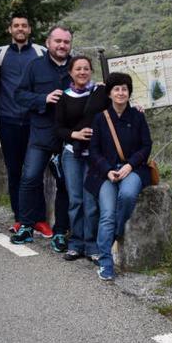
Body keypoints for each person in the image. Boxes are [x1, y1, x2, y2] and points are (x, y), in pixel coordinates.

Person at [85, 73, 153, 280]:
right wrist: (107, 169)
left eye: (124, 89)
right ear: (110, 93)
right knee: (107, 213)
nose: (121, 93)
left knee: (128, 195)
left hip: (132, 169)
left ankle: (114, 235)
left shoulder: (137, 116)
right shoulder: (100, 118)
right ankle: (106, 262)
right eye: (116, 89)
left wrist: (130, 166)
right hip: (105, 172)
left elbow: (146, 146)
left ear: (129, 92)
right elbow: (94, 150)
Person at [10, 26, 72, 251]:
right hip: (40, 133)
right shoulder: (34, 66)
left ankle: (61, 231)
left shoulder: (76, 67)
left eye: (66, 42)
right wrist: (43, 98)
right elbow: (19, 95)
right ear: (48, 43)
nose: (61, 45)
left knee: (64, 184)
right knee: (29, 178)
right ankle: (26, 225)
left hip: (67, 137)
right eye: (57, 41)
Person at [0, 13, 46, 233]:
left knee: (36, 171)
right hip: (8, 121)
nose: (20, 29)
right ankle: (20, 217)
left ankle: (40, 218)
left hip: (35, 121)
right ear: (10, 29)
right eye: (16, 25)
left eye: (24, 25)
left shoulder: (41, 52)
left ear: (30, 29)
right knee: (14, 171)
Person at [55, 55, 109, 262]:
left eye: (86, 69)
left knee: (91, 201)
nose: (82, 72)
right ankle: (75, 243)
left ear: (91, 71)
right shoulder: (64, 96)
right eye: (78, 69)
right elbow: (58, 128)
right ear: (70, 72)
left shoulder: (100, 92)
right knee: (75, 200)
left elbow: (120, 102)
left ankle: (91, 244)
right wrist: (74, 135)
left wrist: (137, 106)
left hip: (94, 155)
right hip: (72, 154)